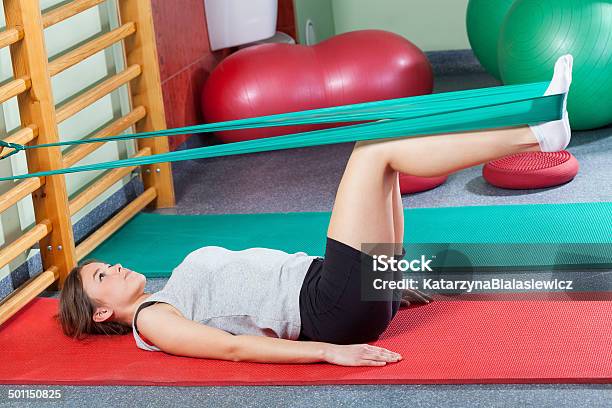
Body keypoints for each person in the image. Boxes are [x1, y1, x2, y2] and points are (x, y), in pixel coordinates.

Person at [58, 55, 573, 367]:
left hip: (341, 289)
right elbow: (233, 350)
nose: (117, 266)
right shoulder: (152, 320)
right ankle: (534, 134)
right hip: (331, 309)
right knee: (374, 151)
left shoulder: (167, 293)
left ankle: (534, 128)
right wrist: (329, 351)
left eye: (107, 264)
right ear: (102, 311)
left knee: (384, 147)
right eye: (103, 275)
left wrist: (387, 289)